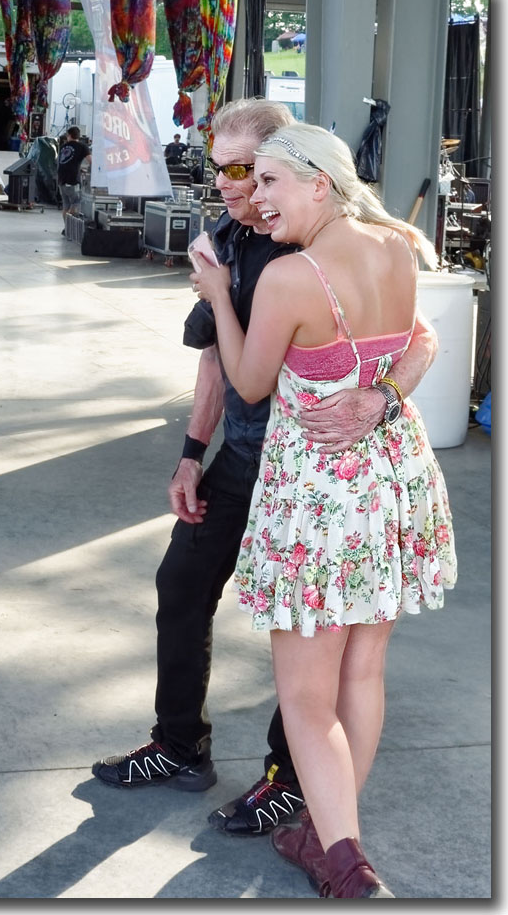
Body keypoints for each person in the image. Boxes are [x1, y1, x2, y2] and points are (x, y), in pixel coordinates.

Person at [92, 99, 438, 843]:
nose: (228, 183)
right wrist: (192, 454)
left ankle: (293, 784)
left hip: (311, 471)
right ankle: (180, 744)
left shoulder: (311, 250)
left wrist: (378, 396)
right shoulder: (227, 239)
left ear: (302, 172)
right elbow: (216, 365)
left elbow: (422, 336)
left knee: (313, 635)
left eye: (248, 170)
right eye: (218, 168)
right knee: (183, 583)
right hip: (252, 460)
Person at [194, 122, 456, 898]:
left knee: (307, 695)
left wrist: (219, 296)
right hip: (391, 479)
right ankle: (326, 829)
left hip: (320, 497)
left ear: (320, 183)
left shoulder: (290, 278)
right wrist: (383, 394)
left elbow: (248, 382)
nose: (256, 197)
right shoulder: (397, 247)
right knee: (362, 671)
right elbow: (418, 339)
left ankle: (345, 862)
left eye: (270, 180)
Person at [56, 126, 89, 230]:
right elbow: (91, 161)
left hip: (61, 180)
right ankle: (71, 227)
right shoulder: (82, 147)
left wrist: (78, 169)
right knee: (76, 202)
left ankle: (67, 229)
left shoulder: (63, 147)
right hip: (72, 181)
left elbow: (64, 162)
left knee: (66, 205)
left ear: (69, 135)